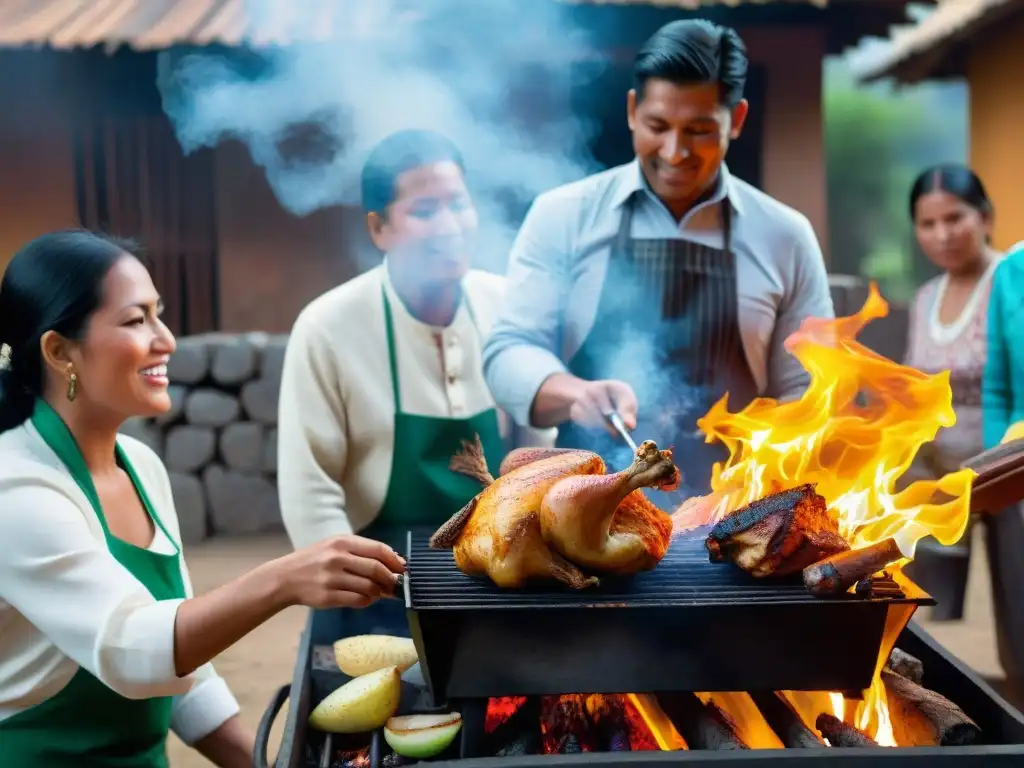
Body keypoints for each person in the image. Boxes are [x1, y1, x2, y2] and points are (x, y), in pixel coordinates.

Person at [0, 230, 406, 766]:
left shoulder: (140, 466)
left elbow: (183, 674)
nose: (165, 339)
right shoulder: (16, 489)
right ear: (60, 351)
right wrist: (283, 579)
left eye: (159, 314)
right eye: (135, 320)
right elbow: (133, 650)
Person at [482, 19, 833, 502]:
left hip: (732, 518)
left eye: (699, 131)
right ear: (631, 111)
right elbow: (509, 351)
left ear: (738, 119)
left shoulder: (784, 235)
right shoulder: (565, 215)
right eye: (658, 126)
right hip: (587, 511)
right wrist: (575, 394)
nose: (675, 152)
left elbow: (809, 393)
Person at [277, 130, 553, 631]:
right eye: (425, 211)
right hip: (374, 592)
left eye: (459, 205)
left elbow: (536, 454)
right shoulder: (328, 327)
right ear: (379, 227)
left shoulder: (507, 305)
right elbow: (310, 490)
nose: (449, 226)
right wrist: (350, 593)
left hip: (497, 582)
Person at [899, 165, 1001, 622]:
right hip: (937, 483)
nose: (943, 234)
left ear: (985, 217)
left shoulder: (1011, 284)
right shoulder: (925, 298)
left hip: (1002, 476)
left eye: (955, 218)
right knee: (935, 618)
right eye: (928, 224)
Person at [983, 238, 1024, 706]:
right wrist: (999, 466)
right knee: (1019, 620)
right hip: (1017, 470)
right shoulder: (1011, 271)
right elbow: (997, 386)